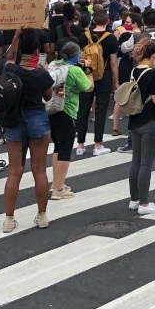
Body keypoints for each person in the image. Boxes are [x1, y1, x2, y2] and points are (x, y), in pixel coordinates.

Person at [1, 28, 54, 233]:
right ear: (37, 50)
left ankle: (8, 219)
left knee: (14, 172)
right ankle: (42, 215)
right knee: (39, 170)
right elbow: (49, 97)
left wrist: (15, 37)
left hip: (15, 120)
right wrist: (45, 70)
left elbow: (10, 56)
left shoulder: (10, 71)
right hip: (38, 119)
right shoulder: (41, 74)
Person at [47, 42, 94, 199]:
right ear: (76, 55)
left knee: (57, 148)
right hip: (67, 111)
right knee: (65, 150)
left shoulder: (54, 64)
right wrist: (88, 69)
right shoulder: (74, 70)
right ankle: (59, 190)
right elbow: (89, 87)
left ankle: (56, 182)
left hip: (51, 109)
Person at [127, 38, 155, 214]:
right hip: (150, 119)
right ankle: (144, 203)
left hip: (135, 118)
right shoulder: (153, 73)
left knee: (136, 161)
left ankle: (134, 199)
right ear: (154, 55)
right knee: (146, 164)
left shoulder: (134, 70)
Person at [76, 10, 119, 157]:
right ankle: (97, 145)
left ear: (93, 21)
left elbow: (79, 57)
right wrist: (116, 81)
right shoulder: (111, 38)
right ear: (107, 21)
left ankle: (80, 145)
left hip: (86, 75)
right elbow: (113, 62)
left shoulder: (83, 36)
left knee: (83, 110)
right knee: (100, 110)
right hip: (104, 75)